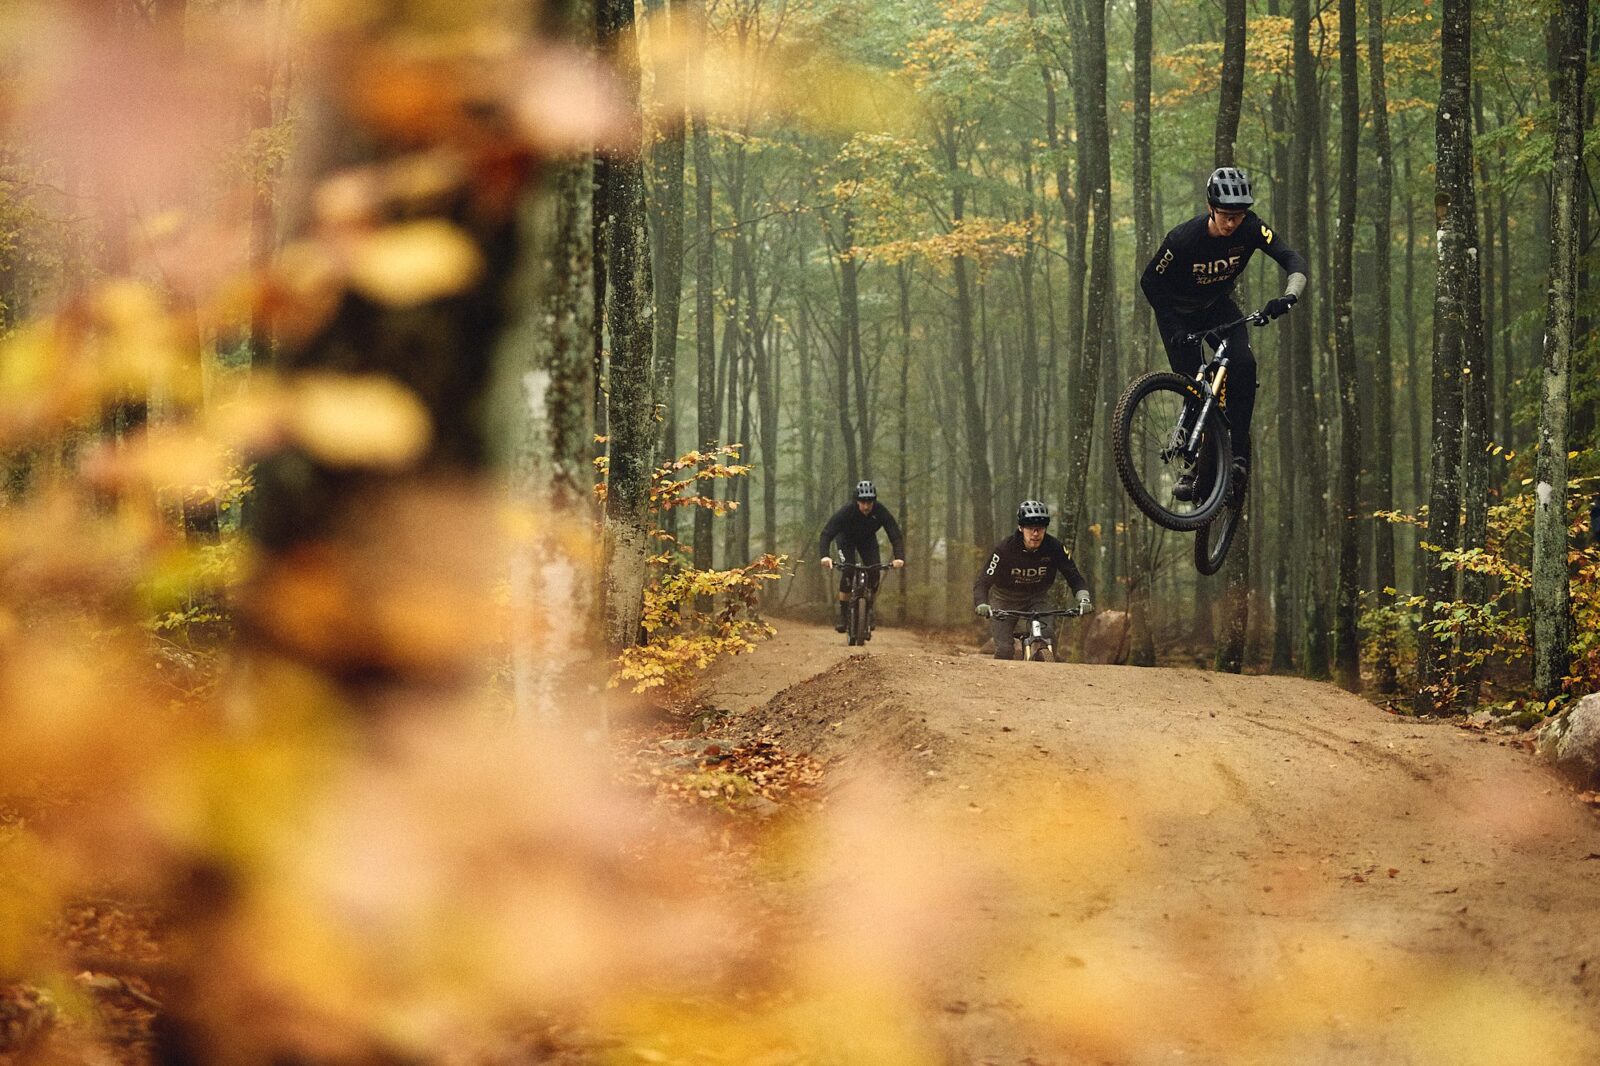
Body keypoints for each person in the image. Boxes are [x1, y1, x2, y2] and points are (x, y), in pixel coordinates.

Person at [1140, 166, 1309, 500]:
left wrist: (1289, 296)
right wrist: (1173, 328)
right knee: (1192, 384)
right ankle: (1191, 466)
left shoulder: (1251, 228)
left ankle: (1239, 456)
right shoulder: (1183, 239)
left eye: (1238, 215)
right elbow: (1150, 282)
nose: (1232, 223)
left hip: (1217, 307)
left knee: (1243, 364)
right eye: (1225, 215)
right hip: (1178, 313)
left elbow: (1292, 258)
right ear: (1210, 208)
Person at [973, 500, 1092, 660]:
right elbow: (983, 581)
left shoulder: (1054, 547)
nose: (1035, 533)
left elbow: (1074, 576)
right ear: (1021, 528)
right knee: (1005, 649)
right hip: (1005, 599)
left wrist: (1084, 599)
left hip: (1037, 598)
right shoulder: (1004, 549)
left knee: (1047, 636)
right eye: (1030, 528)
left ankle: (1046, 672)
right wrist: (981, 603)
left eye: (1040, 528)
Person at [818, 480, 905, 633]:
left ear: (874, 501)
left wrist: (899, 557)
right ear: (856, 501)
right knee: (848, 570)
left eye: (869, 502)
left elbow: (895, 534)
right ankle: (844, 616)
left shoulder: (880, 511)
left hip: (867, 541)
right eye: (862, 502)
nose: (866, 506)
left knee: (874, 571)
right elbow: (827, 533)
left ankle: (869, 609)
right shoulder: (847, 511)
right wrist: (825, 555)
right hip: (846, 540)